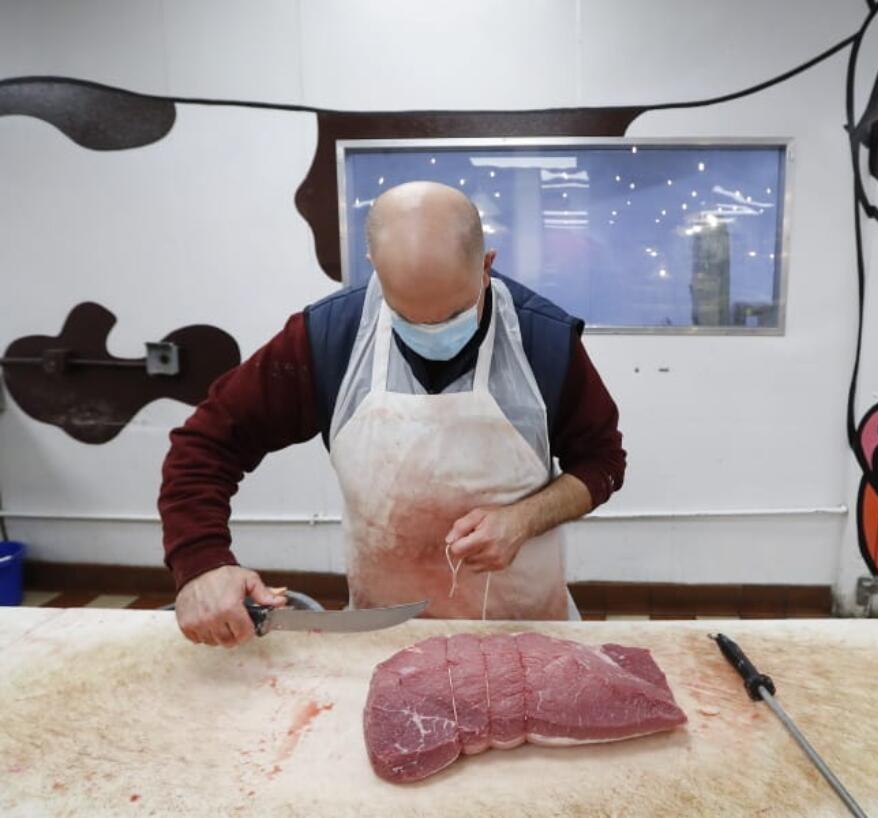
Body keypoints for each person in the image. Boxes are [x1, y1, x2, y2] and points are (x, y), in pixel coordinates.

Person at [159, 181, 626, 646]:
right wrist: (201, 561)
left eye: (453, 314)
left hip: (525, 629)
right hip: (384, 634)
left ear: (486, 265)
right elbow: (207, 444)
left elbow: (602, 462)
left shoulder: (544, 341)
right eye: (408, 316)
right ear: (376, 270)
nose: (432, 333)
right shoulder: (327, 340)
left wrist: (523, 520)